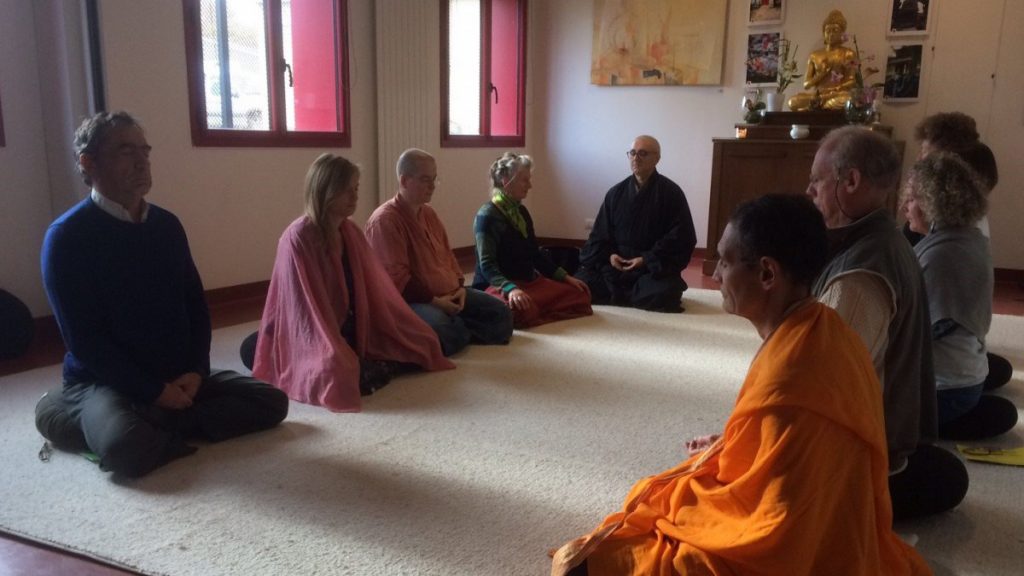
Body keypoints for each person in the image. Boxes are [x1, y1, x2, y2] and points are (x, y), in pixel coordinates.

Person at [551, 195, 929, 576]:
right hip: (834, 520)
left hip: (789, 545)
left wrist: (717, 474)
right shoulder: (826, 330)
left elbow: (774, 521)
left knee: (605, 557)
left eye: (725, 262)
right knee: (669, 493)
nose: (715, 275)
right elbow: (784, 450)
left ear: (767, 274)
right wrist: (732, 443)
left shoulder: (793, 368)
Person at [35, 112, 289, 478]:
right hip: (105, 381)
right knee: (125, 449)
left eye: (145, 151)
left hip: (174, 375)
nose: (142, 162)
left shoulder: (167, 226)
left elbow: (196, 307)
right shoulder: (66, 237)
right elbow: (86, 342)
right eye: (126, 151)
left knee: (272, 402)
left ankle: (151, 422)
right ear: (89, 163)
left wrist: (196, 371)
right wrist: (152, 390)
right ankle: (81, 413)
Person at [808, 125, 967, 520]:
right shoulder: (884, 240)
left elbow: (818, 385)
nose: (809, 191)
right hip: (898, 434)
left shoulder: (862, 272)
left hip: (868, 453)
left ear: (850, 181)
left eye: (817, 180)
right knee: (946, 476)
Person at [252, 153, 453, 412]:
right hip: (317, 325)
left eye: (356, 189)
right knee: (332, 367)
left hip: (351, 322)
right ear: (326, 191)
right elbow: (303, 309)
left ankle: (362, 363)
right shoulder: (298, 237)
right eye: (347, 191)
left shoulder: (350, 232)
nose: (355, 197)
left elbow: (376, 289)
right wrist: (333, 342)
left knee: (422, 340)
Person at [902, 153, 1017, 440]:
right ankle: (964, 413)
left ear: (933, 204)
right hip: (966, 378)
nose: (905, 206)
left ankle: (939, 421)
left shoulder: (942, 256)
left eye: (912, 199)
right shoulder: (967, 238)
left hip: (945, 388)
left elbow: (916, 334)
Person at [365, 149, 513, 356]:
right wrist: (437, 302)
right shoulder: (385, 221)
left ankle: (456, 329)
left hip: (451, 294)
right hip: (416, 301)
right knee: (443, 327)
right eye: (425, 180)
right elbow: (398, 281)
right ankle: (453, 329)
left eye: (434, 179)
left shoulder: (428, 213)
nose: (432, 186)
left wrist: (460, 289)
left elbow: (448, 257)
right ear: (404, 180)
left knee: (502, 313)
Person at [908, 112, 1012, 393]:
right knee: (990, 369)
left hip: (942, 372)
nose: (920, 161)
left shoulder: (948, 247)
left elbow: (923, 327)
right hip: (962, 354)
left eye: (926, 156)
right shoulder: (961, 230)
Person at [472, 152, 593, 328]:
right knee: (519, 311)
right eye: (525, 180)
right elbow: (487, 265)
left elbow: (535, 255)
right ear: (506, 181)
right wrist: (511, 289)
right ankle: (533, 309)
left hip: (528, 283)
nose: (530, 185)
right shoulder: (487, 216)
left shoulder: (522, 212)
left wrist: (566, 277)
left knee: (580, 295)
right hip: (497, 286)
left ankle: (536, 309)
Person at [577, 135, 696, 312]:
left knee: (667, 290)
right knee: (580, 282)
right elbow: (599, 235)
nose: (635, 158)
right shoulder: (615, 193)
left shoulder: (671, 193)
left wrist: (645, 259)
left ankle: (620, 295)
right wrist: (610, 256)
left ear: (657, 159)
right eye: (632, 153)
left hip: (649, 270)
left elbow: (681, 237)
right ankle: (632, 296)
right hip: (616, 268)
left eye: (643, 153)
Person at [787, 10, 857, 111]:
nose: (831, 34)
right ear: (823, 33)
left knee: (848, 100)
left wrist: (836, 89)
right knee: (792, 102)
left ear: (842, 34)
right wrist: (821, 74)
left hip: (836, 94)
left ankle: (815, 106)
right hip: (818, 95)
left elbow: (851, 81)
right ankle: (820, 105)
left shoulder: (848, 53)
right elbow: (806, 85)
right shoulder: (814, 55)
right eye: (828, 31)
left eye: (835, 31)